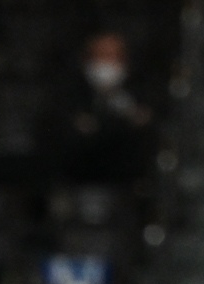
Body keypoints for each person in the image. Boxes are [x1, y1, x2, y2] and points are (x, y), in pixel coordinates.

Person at [64, 32, 155, 187]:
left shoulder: (141, 94)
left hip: (128, 181)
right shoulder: (71, 96)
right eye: (101, 56)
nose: (107, 64)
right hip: (81, 180)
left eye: (113, 57)